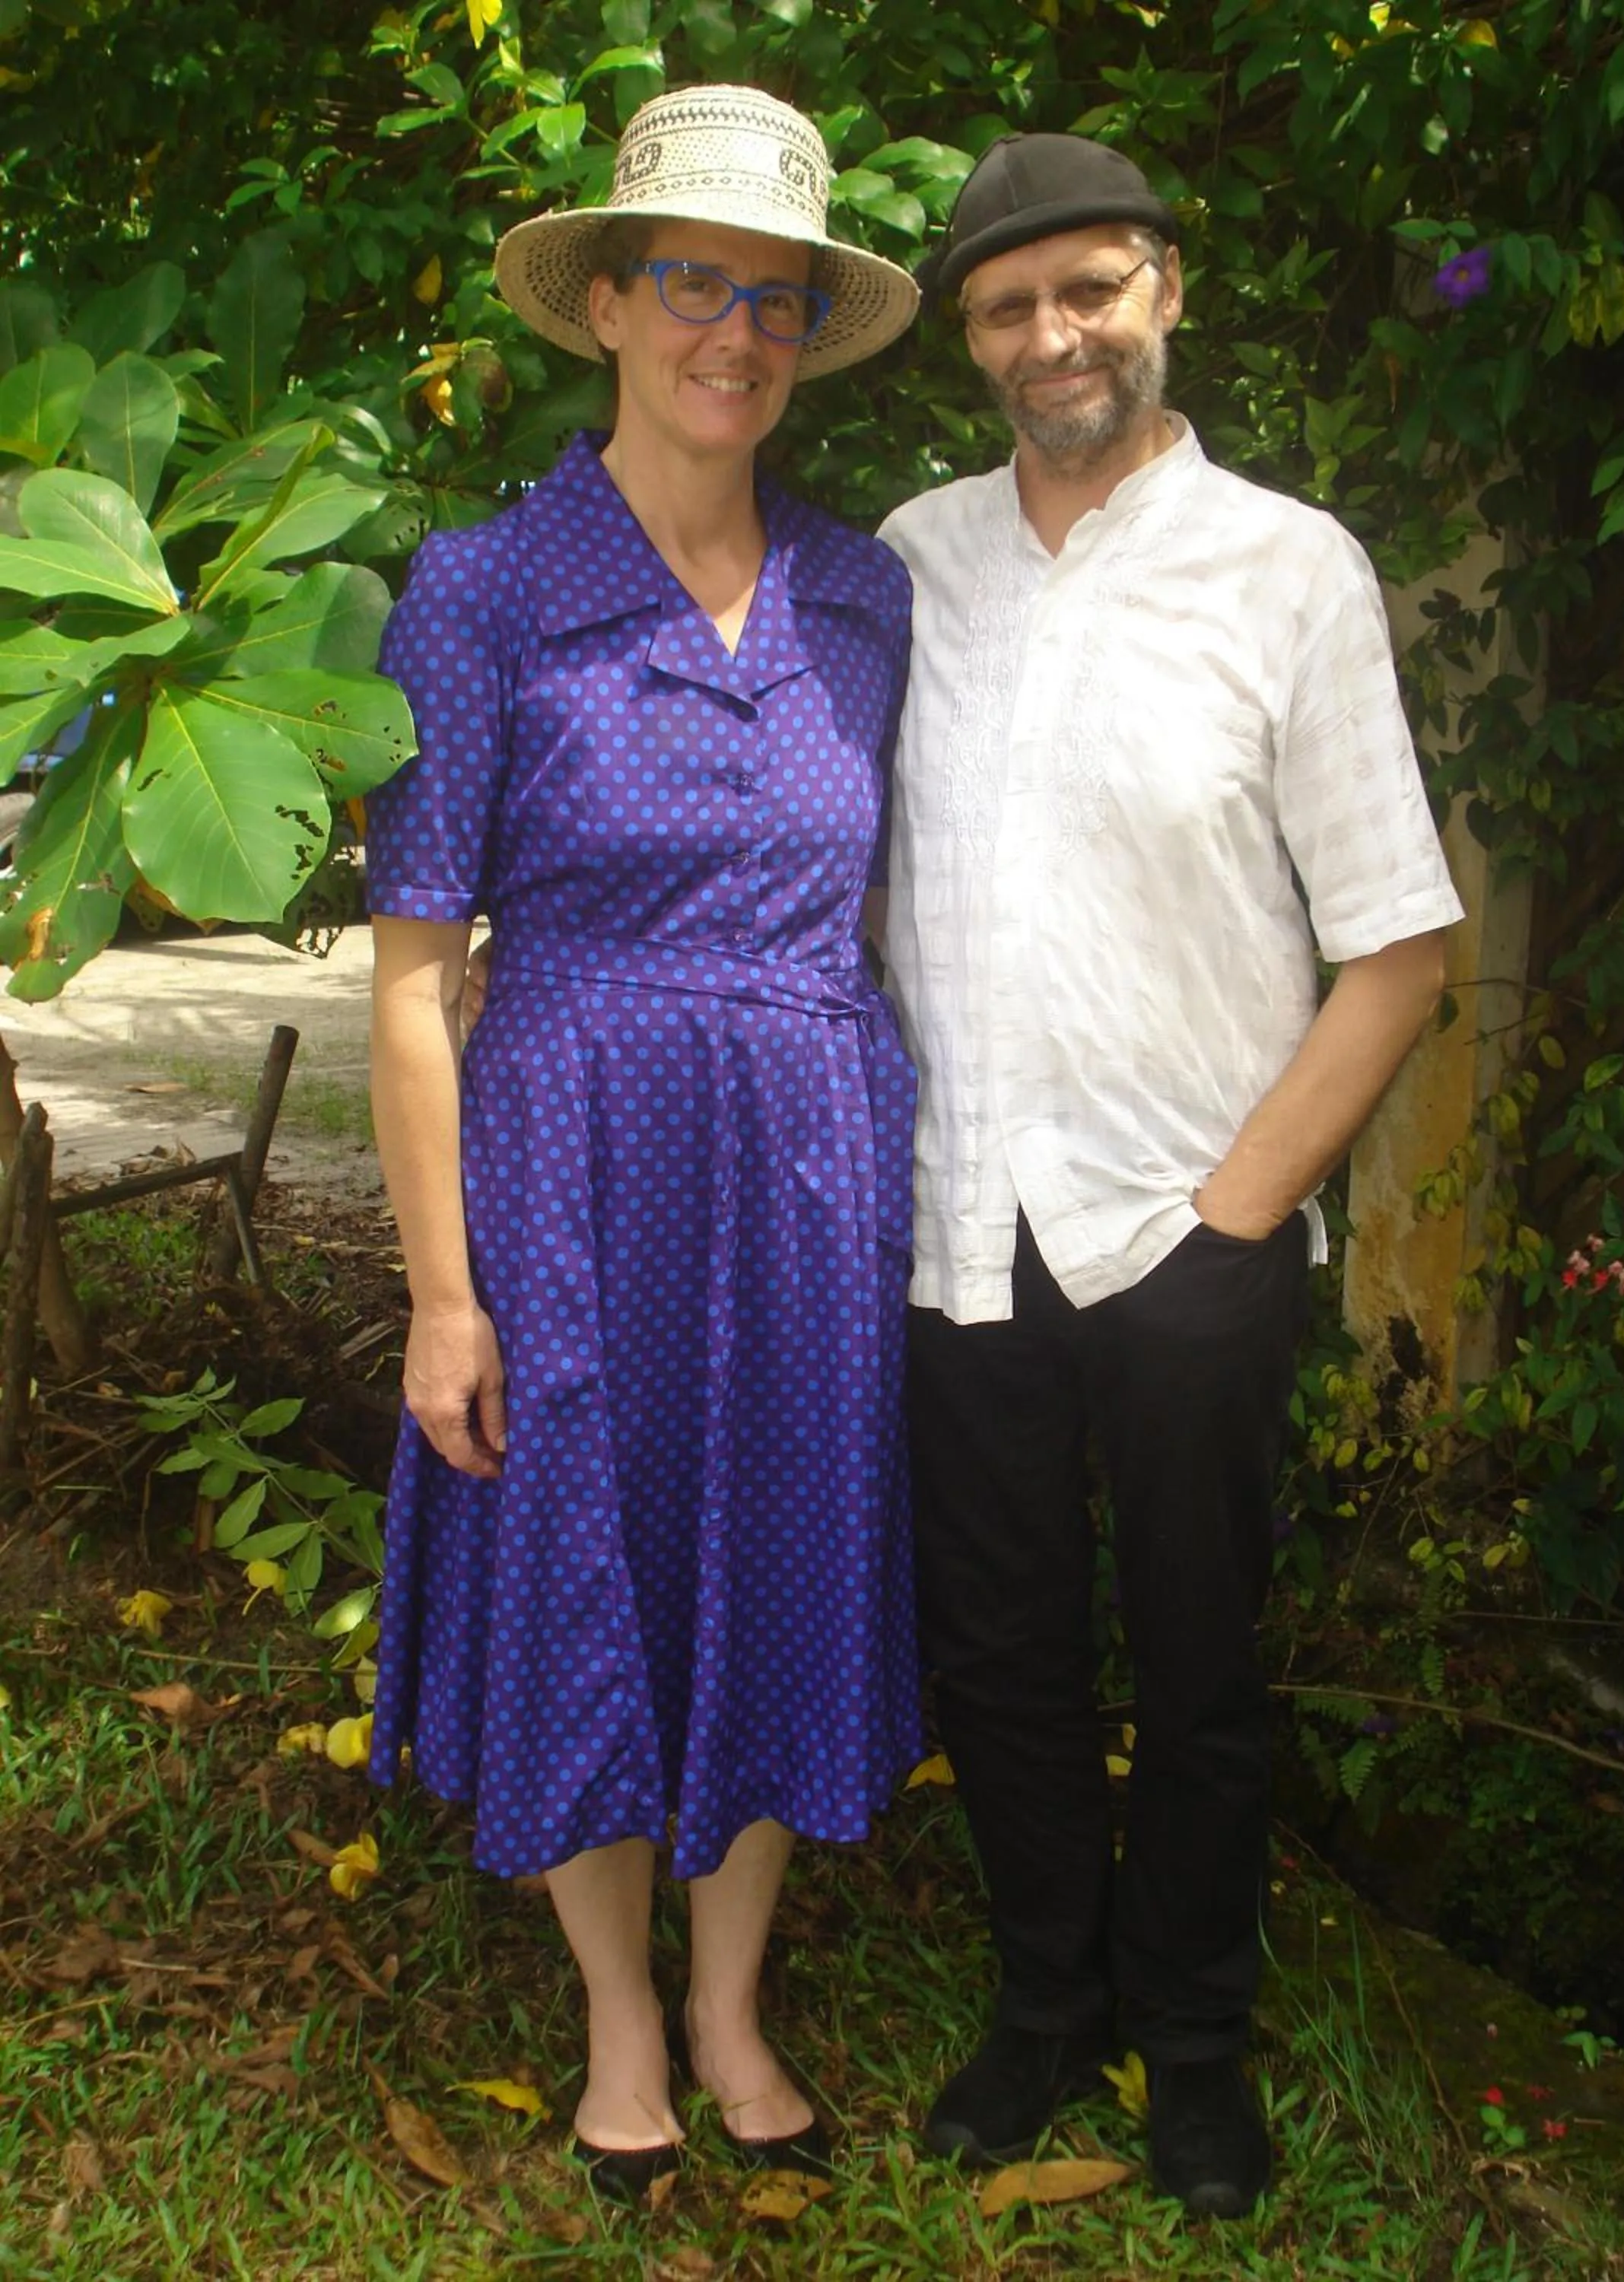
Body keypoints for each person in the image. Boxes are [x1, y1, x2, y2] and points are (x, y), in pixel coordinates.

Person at [876, 135, 1466, 2217]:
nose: (1055, 336)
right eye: (1010, 307)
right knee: (1003, 1654)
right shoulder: (910, 559)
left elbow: (1397, 943)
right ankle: (1046, 2011)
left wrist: (1239, 1220)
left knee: (1204, 1664)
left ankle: (1195, 2047)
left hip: (1187, 1230)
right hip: (960, 1222)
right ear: (968, 341)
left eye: (1090, 291)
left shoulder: (1288, 568)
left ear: (1167, 295)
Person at [363, 84, 922, 2199]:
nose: (733, 334)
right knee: (580, 1575)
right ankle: (616, 2012)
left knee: (776, 1567)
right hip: (564, 1172)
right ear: (607, 306)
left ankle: (730, 1997)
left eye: (772, 299)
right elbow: (418, 972)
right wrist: (442, 1294)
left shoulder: (864, 601)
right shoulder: (482, 589)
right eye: (692, 283)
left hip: (804, 1171)